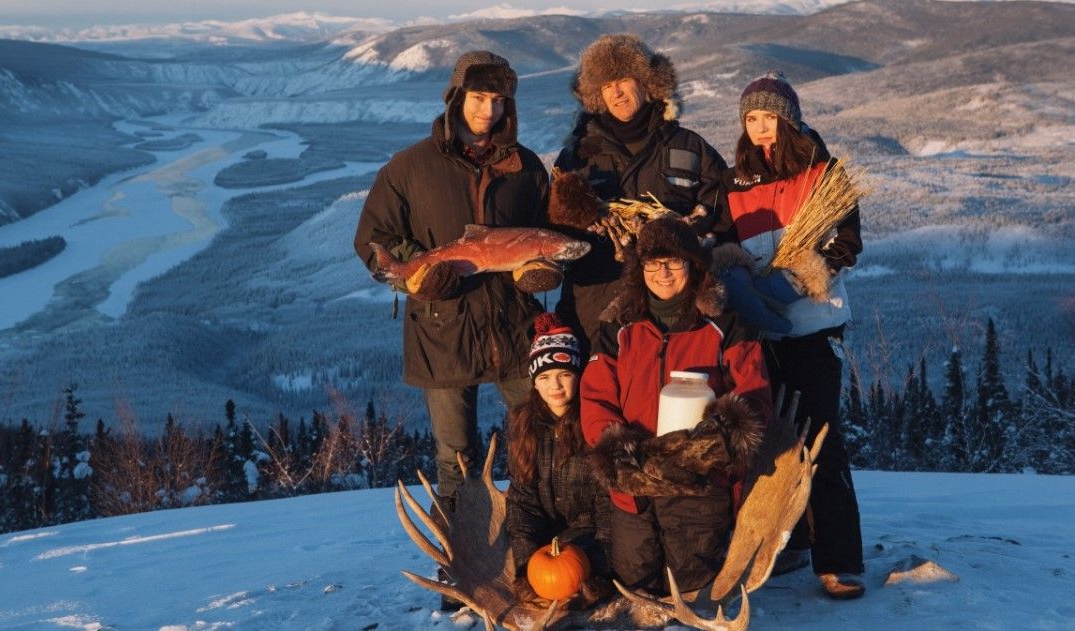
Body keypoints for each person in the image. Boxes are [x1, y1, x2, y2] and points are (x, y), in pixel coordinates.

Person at [353, 51, 557, 506]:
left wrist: (540, 270)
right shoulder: (409, 167)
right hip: (441, 329)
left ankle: (543, 538)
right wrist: (418, 277)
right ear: (456, 97)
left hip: (515, 326)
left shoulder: (526, 167)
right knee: (455, 461)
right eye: (479, 97)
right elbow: (373, 239)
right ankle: (462, 546)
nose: (489, 110)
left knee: (543, 444)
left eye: (499, 100)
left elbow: (545, 235)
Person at [712, 70, 866, 599]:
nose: (760, 127)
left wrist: (801, 279)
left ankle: (839, 559)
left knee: (821, 441)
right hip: (761, 333)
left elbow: (847, 243)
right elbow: (723, 244)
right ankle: (790, 543)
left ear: (790, 119)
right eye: (751, 118)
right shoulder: (734, 183)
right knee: (774, 445)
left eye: (769, 117)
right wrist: (740, 282)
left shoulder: (824, 174)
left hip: (814, 326)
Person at [579, 217, 772, 596]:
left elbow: (754, 395)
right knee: (637, 590)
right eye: (652, 263)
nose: (662, 273)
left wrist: (714, 444)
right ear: (639, 268)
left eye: (673, 262)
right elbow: (596, 398)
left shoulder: (725, 326)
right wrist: (618, 452)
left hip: (697, 488)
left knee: (691, 593)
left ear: (693, 265)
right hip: (634, 488)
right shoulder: (617, 329)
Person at [546, 34, 728, 349]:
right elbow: (556, 231)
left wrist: (687, 236)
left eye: (623, 80)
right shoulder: (577, 158)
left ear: (647, 82)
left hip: (675, 311)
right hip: (595, 310)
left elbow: (722, 219)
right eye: (606, 85)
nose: (616, 92)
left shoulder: (690, 147)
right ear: (596, 95)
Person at [506, 312, 612, 605]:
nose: (555, 386)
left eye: (564, 374)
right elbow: (522, 502)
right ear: (534, 382)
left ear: (578, 375)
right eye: (544, 377)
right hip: (544, 544)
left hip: (589, 539)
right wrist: (526, 565)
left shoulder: (595, 423)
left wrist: (597, 564)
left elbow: (607, 505)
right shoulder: (523, 426)